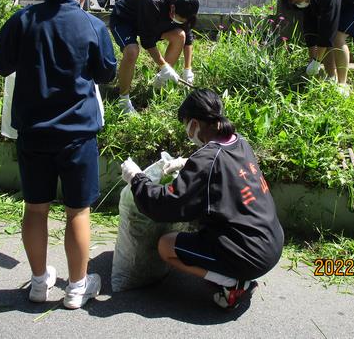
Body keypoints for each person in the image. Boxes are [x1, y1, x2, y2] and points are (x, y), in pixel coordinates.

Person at [0, 0, 117, 309]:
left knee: (35, 208)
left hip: (33, 131)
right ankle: (77, 288)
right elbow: (106, 73)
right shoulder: (91, 25)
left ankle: (40, 282)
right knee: (77, 211)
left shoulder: (23, 20)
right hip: (77, 133)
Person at [120, 88, 284, 310]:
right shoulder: (239, 142)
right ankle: (232, 274)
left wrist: (137, 179)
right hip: (272, 241)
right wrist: (186, 162)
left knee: (166, 245)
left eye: (187, 124)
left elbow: (163, 206)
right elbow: (219, 167)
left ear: (195, 124)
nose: (187, 132)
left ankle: (234, 283)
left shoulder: (206, 160)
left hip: (250, 256)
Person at [109, 0, 200, 114]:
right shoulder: (152, 1)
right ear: (173, 8)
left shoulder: (185, 4)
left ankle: (160, 81)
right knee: (132, 51)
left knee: (179, 36)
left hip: (151, 22)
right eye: (178, 19)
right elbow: (147, 41)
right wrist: (165, 66)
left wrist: (188, 69)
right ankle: (123, 101)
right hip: (125, 19)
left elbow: (188, 36)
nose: (179, 22)